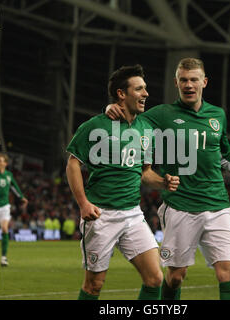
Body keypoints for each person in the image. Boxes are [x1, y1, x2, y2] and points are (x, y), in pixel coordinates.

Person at [106, 58, 230, 300]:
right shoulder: (161, 115)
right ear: (176, 83)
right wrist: (111, 109)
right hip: (180, 206)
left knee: (229, 272)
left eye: (194, 79)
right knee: (176, 276)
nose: (189, 84)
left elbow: (225, 154)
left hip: (218, 205)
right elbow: (130, 121)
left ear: (204, 82)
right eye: (183, 80)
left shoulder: (217, 115)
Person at [66, 64, 180, 300]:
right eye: (139, 89)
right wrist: (83, 204)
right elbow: (73, 164)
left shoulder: (146, 129)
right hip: (101, 215)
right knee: (94, 285)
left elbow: (145, 173)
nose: (146, 94)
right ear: (121, 93)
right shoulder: (95, 126)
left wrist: (163, 182)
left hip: (132, 216)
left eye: (145, 89)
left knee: (155, 278)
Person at [0, 153, 28, 266]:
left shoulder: (9, 175)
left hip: (4, 206)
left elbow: (14, 186)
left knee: (4, 228)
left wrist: (21, 197)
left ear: (5, 163)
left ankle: (4, 257)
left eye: (0, 161)